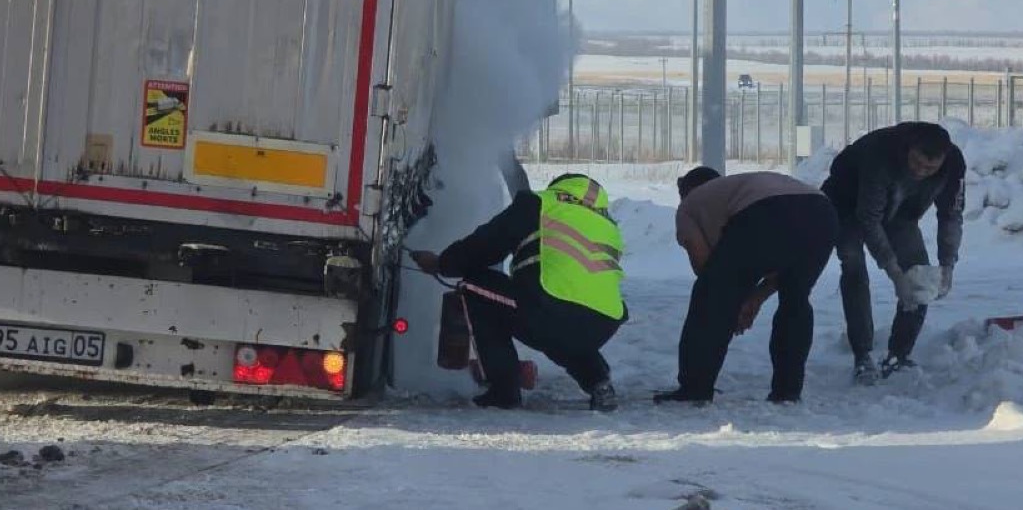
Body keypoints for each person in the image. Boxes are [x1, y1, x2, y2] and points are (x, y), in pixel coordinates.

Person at [411, 173, 626, 411]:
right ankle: (599, 382)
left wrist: (442, 264)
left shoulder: (542, 203)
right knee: (562, 329)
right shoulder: (609, 226)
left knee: (474, 286)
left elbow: (486, 244)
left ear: (559, 187)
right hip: (604, 323)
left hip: (552, 311)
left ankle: (503, 390)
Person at [654, 167, 839, 405]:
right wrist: (754, 297)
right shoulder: (737, 189)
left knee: (708, 295)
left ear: (684, 191)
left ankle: (695, 388)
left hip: (767, 212)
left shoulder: (690, 205)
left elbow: (705, 269)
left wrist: (731, 301)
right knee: (796, 298)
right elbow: (784, 272)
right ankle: (787, 390)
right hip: (822, 213)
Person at [820, 122, 966, 384]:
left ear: (943, 160)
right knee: (854, 267)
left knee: (920, 276)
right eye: (916, 163)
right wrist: (895, 274)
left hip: (901, 213)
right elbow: (869, 219)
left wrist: (948, 264)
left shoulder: (954, 165)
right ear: (909, 149)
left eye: (929, 169)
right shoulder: (880, 154)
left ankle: (898, 355)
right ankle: (862, 356)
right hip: (846, 205)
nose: (921, 172)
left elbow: (951, 216)